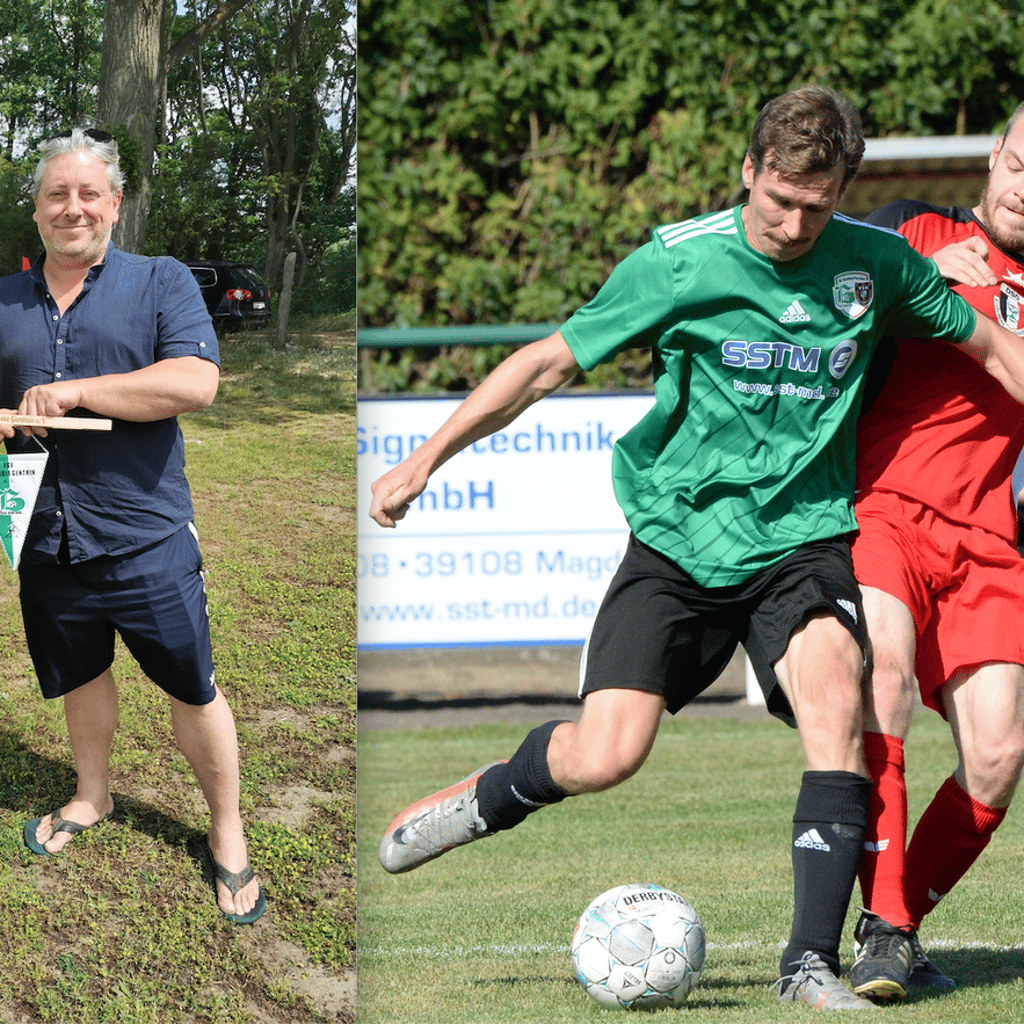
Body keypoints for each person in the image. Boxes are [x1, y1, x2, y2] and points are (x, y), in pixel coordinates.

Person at [369, 86, 1024, 1009]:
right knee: (608, 754)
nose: (795, 225)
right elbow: (548, 361)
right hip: (678, 543)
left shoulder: (875, 265)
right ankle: (485, 796)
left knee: (841, 698)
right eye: (779, 201)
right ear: (748, 172)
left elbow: (995, 347)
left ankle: (811, 964)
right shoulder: (679, 263)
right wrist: (426, 456)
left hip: (803, 540)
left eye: (817, 205)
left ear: (842, 192)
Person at [0, 127, 264, 924]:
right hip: (39, 533)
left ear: (115, 203)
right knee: (79, 673)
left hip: (144, 532)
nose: (72, 207)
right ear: (37, 210)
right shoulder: (4, 299)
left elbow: (194, 382)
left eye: (89, 193)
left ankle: (227, 831)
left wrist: (77, 391)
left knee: (192, 685)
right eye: (57, 194)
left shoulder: (160, 281)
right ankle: (92, 796)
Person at [846, 101, 1024, 1000]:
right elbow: (813, 281)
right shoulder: (910, 228)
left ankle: (895, 921)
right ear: (994, 156)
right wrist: (909, 272)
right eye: (1020, 164)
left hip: (990, 542)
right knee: (881, 679)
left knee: (998, 755)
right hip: (883, 511)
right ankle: (884, 926)